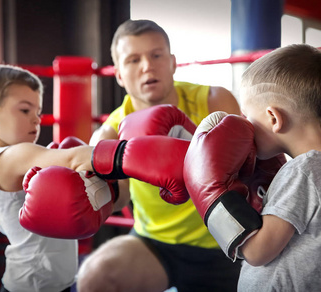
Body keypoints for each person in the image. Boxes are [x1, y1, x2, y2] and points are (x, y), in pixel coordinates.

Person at [77, 19, 243, 292]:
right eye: (133, 60)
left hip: (225, 242)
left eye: (156, 55)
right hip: (154, 245)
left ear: (172, 62)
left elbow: (250, 168)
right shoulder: (111, 133)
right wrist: (87, 190)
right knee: (95, 278)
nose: (147, 66)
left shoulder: (214, 101)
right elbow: (118, 200)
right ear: (119, 74)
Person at [183, 44, 321, 291]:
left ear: (273, 118)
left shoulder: (302, 172)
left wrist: (210, 197)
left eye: (249, 117)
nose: (247, 126)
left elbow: (257, 252)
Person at [0, 65, 116, 292]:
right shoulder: (10, 157)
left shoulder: (10, 157)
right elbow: (70, 158)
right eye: (25, 111)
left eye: (38, 112)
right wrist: (125, 155)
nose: (37, 120)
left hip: (53, 284)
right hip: (30, 287)